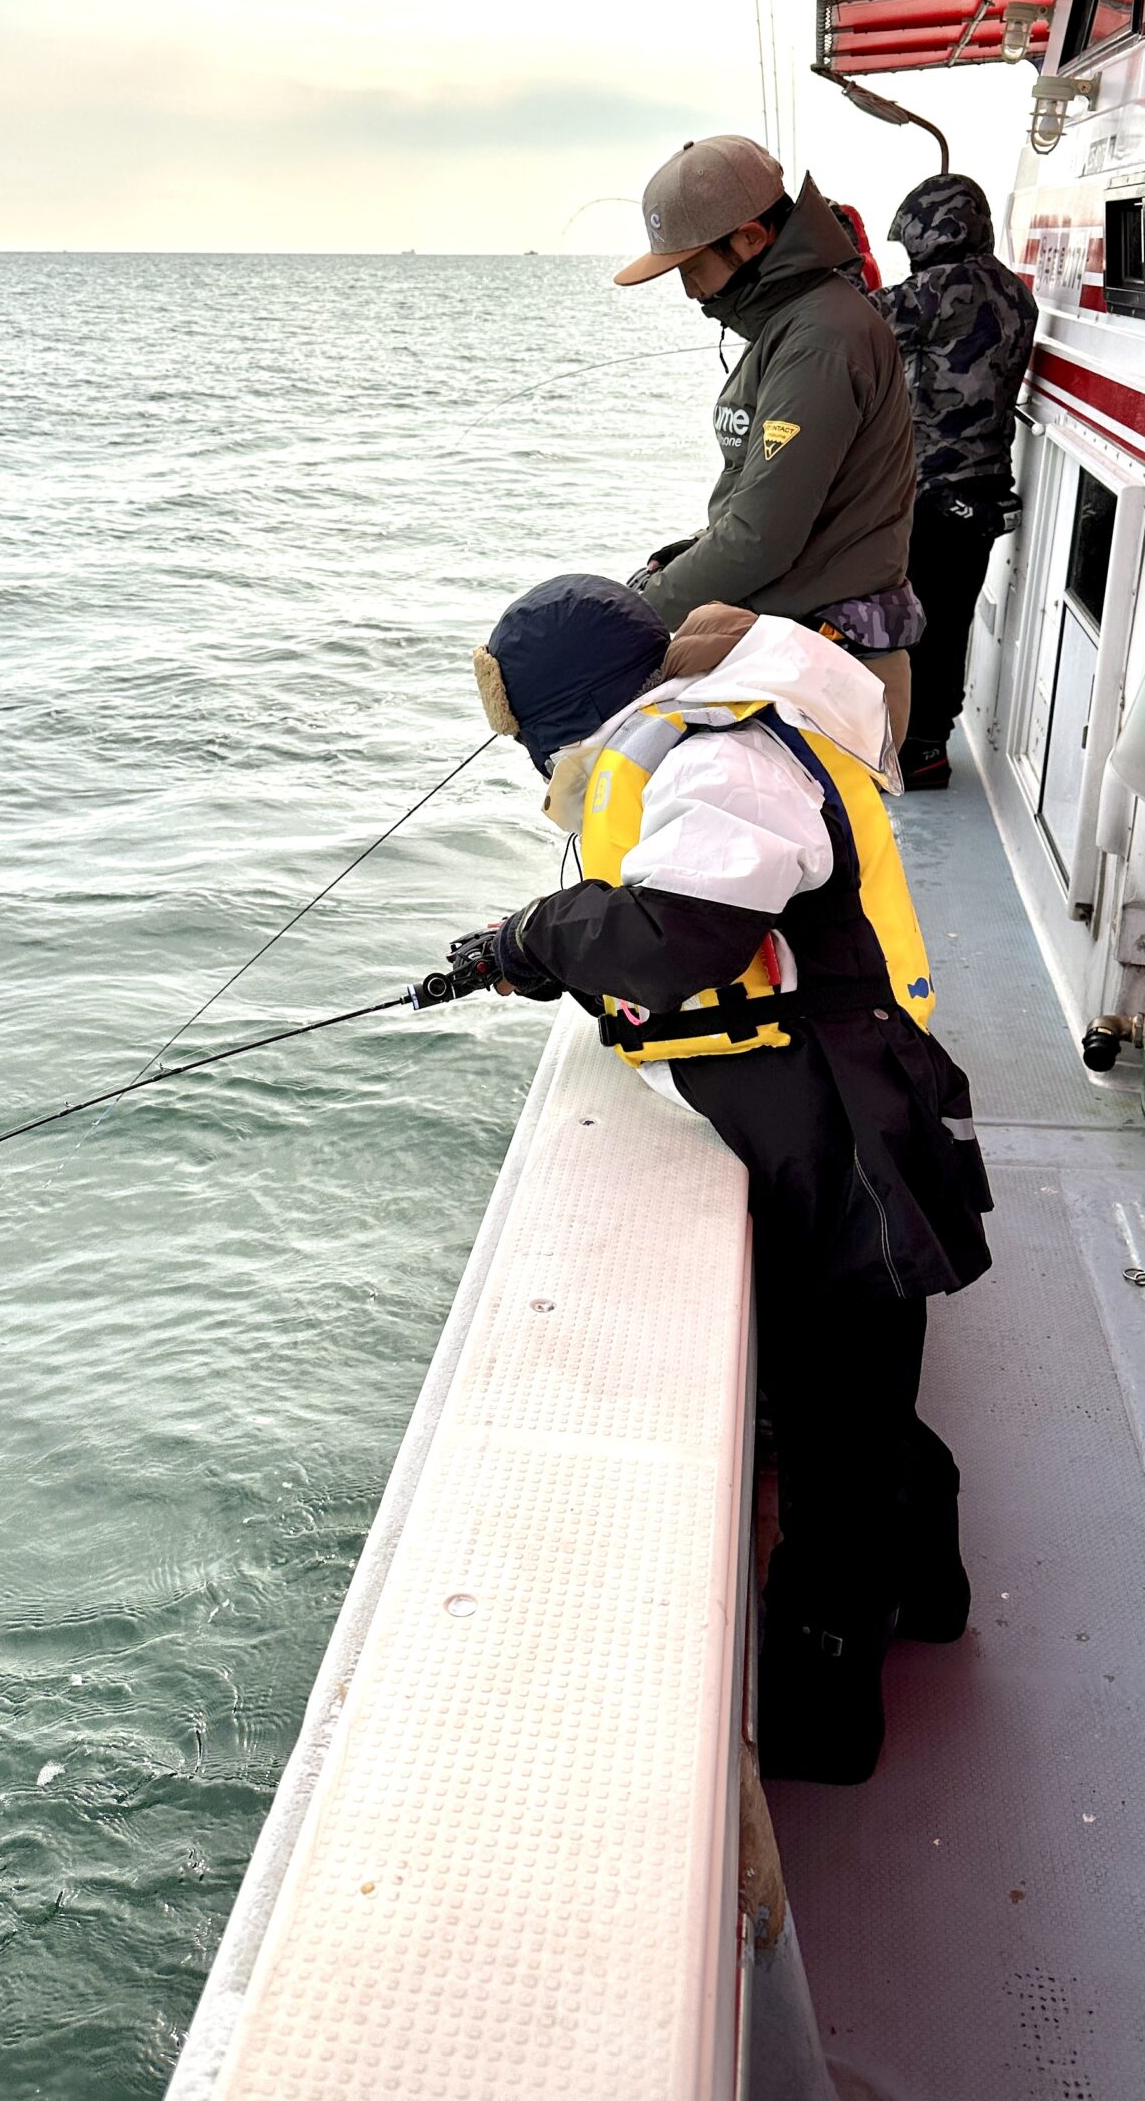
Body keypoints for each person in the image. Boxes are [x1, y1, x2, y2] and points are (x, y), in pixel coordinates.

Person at [455, 572, 993, 1784]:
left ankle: (830, 1717)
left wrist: (533, 937)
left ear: (570, 709)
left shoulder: (722, 754)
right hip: (819, 1103)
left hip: (847, 1120)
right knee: (843, 1386)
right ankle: (934, 1585)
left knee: (840, 1425)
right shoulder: (706, 731)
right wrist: (540, 949)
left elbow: (679, 933)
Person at [613, 136, 922, 757]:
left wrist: (631, 619)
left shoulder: (819, 340)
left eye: (693, 268)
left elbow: (762, 537)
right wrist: (680, 560)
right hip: (795, 658)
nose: (692, 292)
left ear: (750, 240)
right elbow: (764, 503)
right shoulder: (795, 324)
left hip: (826, 674)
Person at [872, 172, 1038, 792]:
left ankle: (908, 750)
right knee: (951, 620)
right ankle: (929, 745)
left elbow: (858, 324)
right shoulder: (1017, 294)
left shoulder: (940, 289)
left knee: (910, 620)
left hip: (935, 491)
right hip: (985, 490)